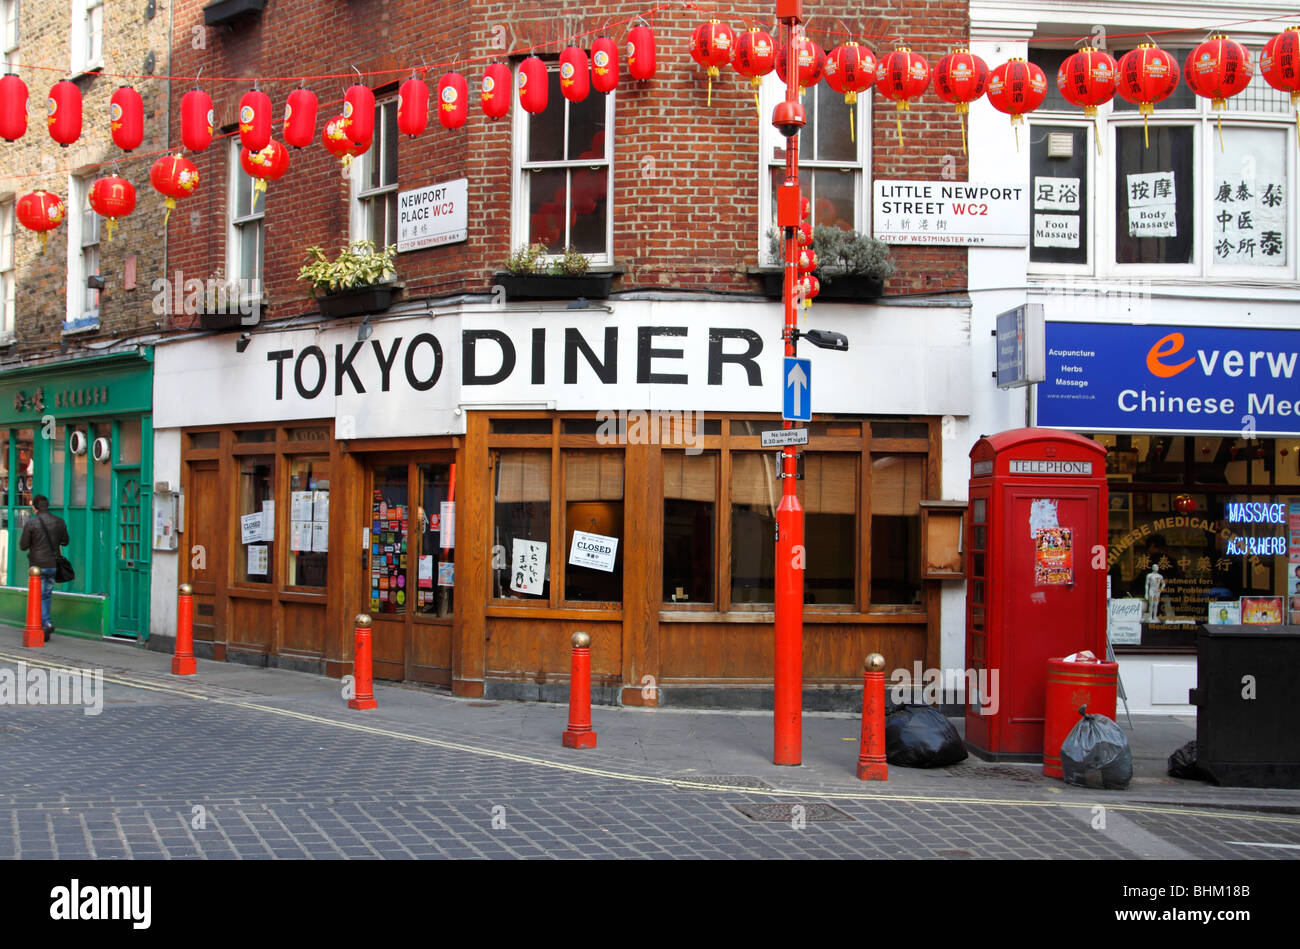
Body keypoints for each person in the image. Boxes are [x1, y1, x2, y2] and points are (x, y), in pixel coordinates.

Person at [18, 495, 69, 642]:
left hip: (37, 566)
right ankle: (46, 622)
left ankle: (39, 626)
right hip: (52, 565)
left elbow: (23, 545)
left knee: (37, 596)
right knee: (46, 595)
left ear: (34, 508)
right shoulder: (59, 522)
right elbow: (65, 541)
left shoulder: (32, 523)